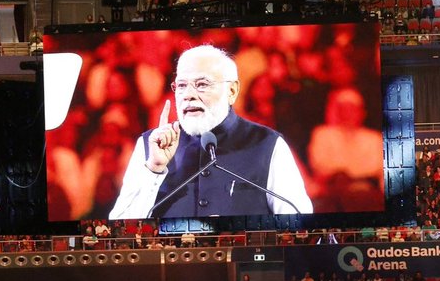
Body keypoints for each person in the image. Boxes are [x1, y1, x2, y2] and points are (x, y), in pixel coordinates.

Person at [110, 44, 313, 219]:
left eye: (202, 85)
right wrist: (153, 169)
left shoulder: (267, 144)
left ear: (232, 91)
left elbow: (300, 227)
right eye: (181, 86)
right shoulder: (150, 145)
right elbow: (117, 232)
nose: (188, 95)